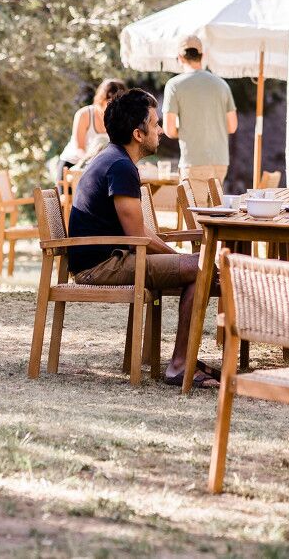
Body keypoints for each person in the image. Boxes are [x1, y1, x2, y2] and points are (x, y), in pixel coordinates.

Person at [68, 88, 213, 387]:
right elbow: (138, 238)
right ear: (138, 133)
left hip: (112, 257)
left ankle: (183, 359)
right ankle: (179, 365)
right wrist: (182, 259)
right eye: (156, 124)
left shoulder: (114, 159)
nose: (161, 131)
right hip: (101, 265)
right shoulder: (120, 166)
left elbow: (140, 233)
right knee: (202, 269)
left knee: (199, 266)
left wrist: (180, 258)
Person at [161, 36, 237, 188]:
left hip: (193, 161)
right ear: (202, 56)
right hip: (220, 162)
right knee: (216, 211)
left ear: (180, 58)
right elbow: (232, 126)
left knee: (195, 212)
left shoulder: (174, 85)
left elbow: (169, 130)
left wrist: (185, 131)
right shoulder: (222, 85)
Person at [60, 78, 126, 169]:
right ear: (101, 99)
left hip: (98, 167)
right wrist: (93, 163)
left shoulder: (119, 119)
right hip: (72, 163)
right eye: (110, 103)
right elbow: (80, 148)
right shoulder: (84, 115)